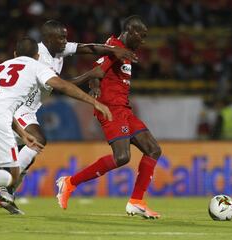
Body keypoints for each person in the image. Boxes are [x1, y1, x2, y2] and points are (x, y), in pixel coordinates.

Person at [0, 37, 112, 229]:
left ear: (14, 54)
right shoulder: (37, 66)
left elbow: (1, 99)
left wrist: (21, 132)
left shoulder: (2, 66)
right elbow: (62, 85)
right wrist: (94, 102)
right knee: (9, 177)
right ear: (37, 55)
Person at [0, 19, 137, 214]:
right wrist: (90, 75)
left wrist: (112, 50)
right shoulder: (40, 57)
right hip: (17, 107)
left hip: (28, 109)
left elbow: (87, 48)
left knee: (28, 154)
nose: (65, 41)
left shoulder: (58, 48)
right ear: (48, 39)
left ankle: (7, 194)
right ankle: (4, 185)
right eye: (61, 37)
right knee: (37, 141)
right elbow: (61, 85)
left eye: (65, 37)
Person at [56, 15, 162, 219]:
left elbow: (100, 73)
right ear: (130, 31)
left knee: (153, 149)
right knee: (122, 157)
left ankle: (136, 201)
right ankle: (69, 183)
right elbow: (97, 71)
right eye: (142, 35)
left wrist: (95, 84)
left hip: (125, 109)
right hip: (111, 109)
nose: (143, 41)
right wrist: (71, 83)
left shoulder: (121, 49)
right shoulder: (114, 46)